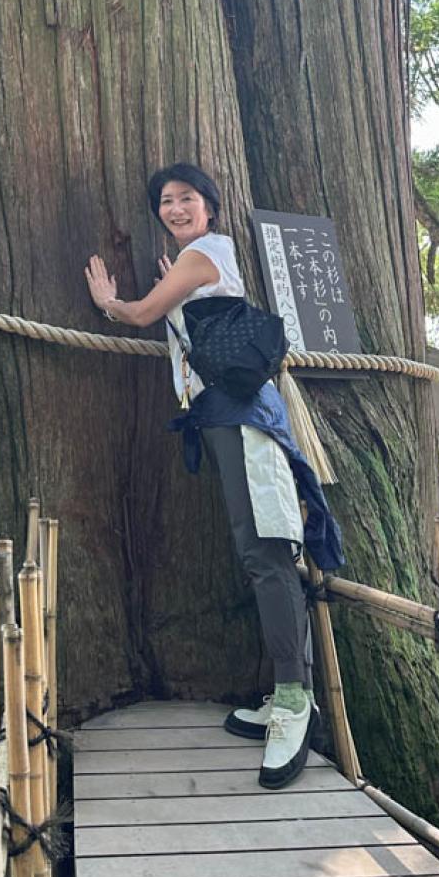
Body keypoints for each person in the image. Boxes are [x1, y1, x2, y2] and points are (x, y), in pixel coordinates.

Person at [84, 161, 343, 789]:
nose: (175, 209)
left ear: (211, 207)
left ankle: (293, 699)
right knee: (255, 548)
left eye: (188, 198)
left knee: (267, 551)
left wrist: (110, 304)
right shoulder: (194, 265)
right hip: (223, 416)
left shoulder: (206, 253)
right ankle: (286, 689)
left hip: (246, 420)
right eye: (166, 201)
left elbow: (142, 315)